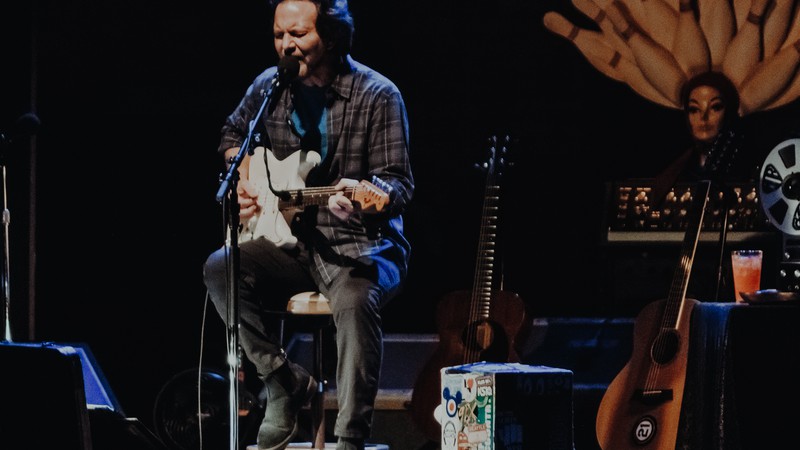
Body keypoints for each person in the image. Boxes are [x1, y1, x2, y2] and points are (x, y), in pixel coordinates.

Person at [202, 1, 414, 450]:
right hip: (290, 242)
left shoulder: (378, 94)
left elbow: (397, 185)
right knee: (221, 267)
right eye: (279, 34)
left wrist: (367, 202)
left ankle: (350, 438)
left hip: (360, 244)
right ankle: (282, 382)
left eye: (298, 34)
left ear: (332, 36)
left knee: (356, 302)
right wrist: (242, 178)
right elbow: (231, 136)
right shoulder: (269, 86)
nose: (286, 45)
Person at [651, 71, 744, 207]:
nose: (703, 117)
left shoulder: (745, 163)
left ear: (729, 111)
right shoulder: (676, 169)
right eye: (694, 109)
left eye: (715, 107)